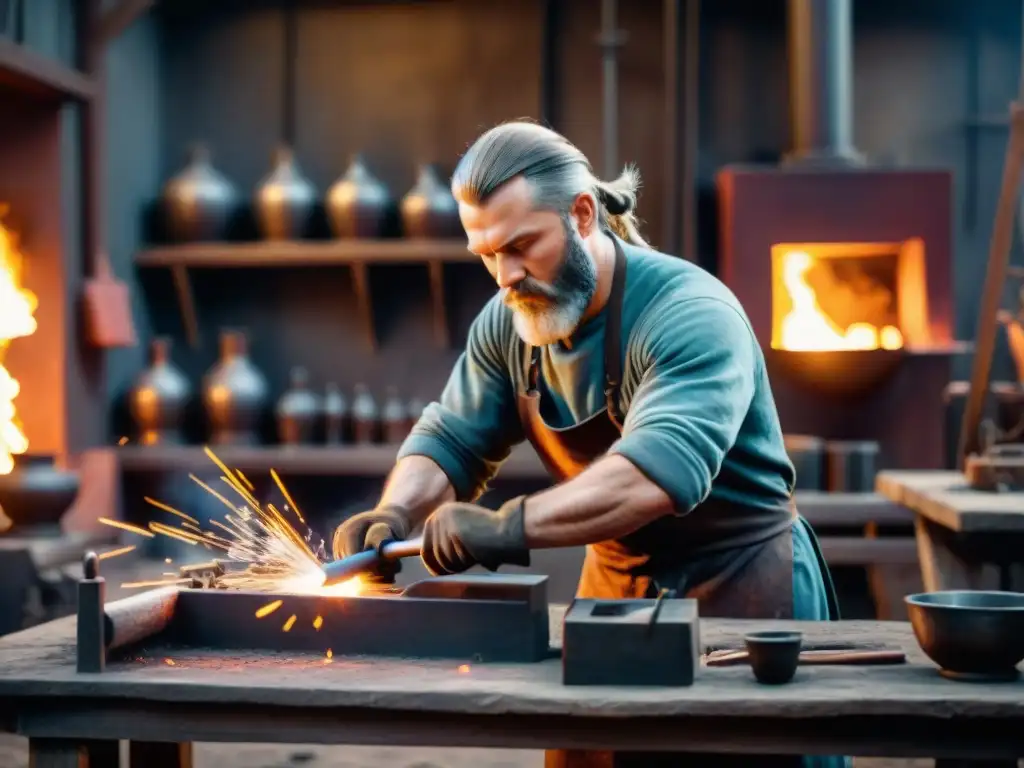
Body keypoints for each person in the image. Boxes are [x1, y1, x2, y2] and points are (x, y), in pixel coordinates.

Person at [332, 121, 847, 768]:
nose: (505, 275)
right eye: (487, 254)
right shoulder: (510, 322)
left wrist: (507, 527)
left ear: (581, 215)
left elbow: (650, 477)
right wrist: (396, 512)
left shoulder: (690, 312)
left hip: (741, 585)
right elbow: (452, 436)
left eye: (522, 245)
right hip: (614, 591)